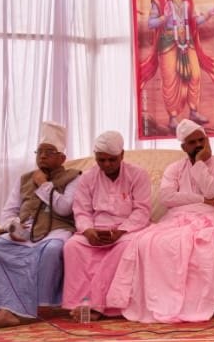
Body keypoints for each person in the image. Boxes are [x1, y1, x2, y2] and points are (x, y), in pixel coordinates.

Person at [109, 120, 214, 322]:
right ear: (184, 147)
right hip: (177, 217)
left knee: (212, 239)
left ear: (208, 140)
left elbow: (212, 190)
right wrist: (204, 200)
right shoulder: (174, 168)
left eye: (201, 140)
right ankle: (163, 301)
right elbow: (167, 198)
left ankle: (202, 302)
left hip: (210, 217)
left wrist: (199, 164)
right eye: (192, 142)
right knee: (146, 241)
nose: (198, 145)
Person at [0, 121, 81, 329]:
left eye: (49, 152)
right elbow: (9, 211)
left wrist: (43, 185)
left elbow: (64, 208)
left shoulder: (74, 177)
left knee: (51, 251)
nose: (42, 157)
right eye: (39, 152)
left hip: (56, 232)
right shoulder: (24, 179)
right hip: (25, 233)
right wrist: (14, 227)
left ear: (62, 158)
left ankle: (38, 307)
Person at [61, 131, 153, 316]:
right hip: (96, 229)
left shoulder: (138, 175)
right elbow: (82, 210)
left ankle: (99, 306)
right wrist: (88, 231)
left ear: (122, 155)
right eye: (101, 160)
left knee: (126, 248)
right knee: (73, 246)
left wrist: (121, 231)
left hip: (128, 231)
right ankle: (80, 304)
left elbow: (142, 210)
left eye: (112, 160)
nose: (107, 164)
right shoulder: (88, 177)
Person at [137, 0, 214, 135]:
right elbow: (150, 23)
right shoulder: (159, 1)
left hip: (187, 43)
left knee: (195, 75)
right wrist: (164, 17)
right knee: (170, 80)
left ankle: (194, 112)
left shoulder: (188, 1)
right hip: (168, 43)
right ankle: (172, 118)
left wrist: (209, 14)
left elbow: (195, 21)